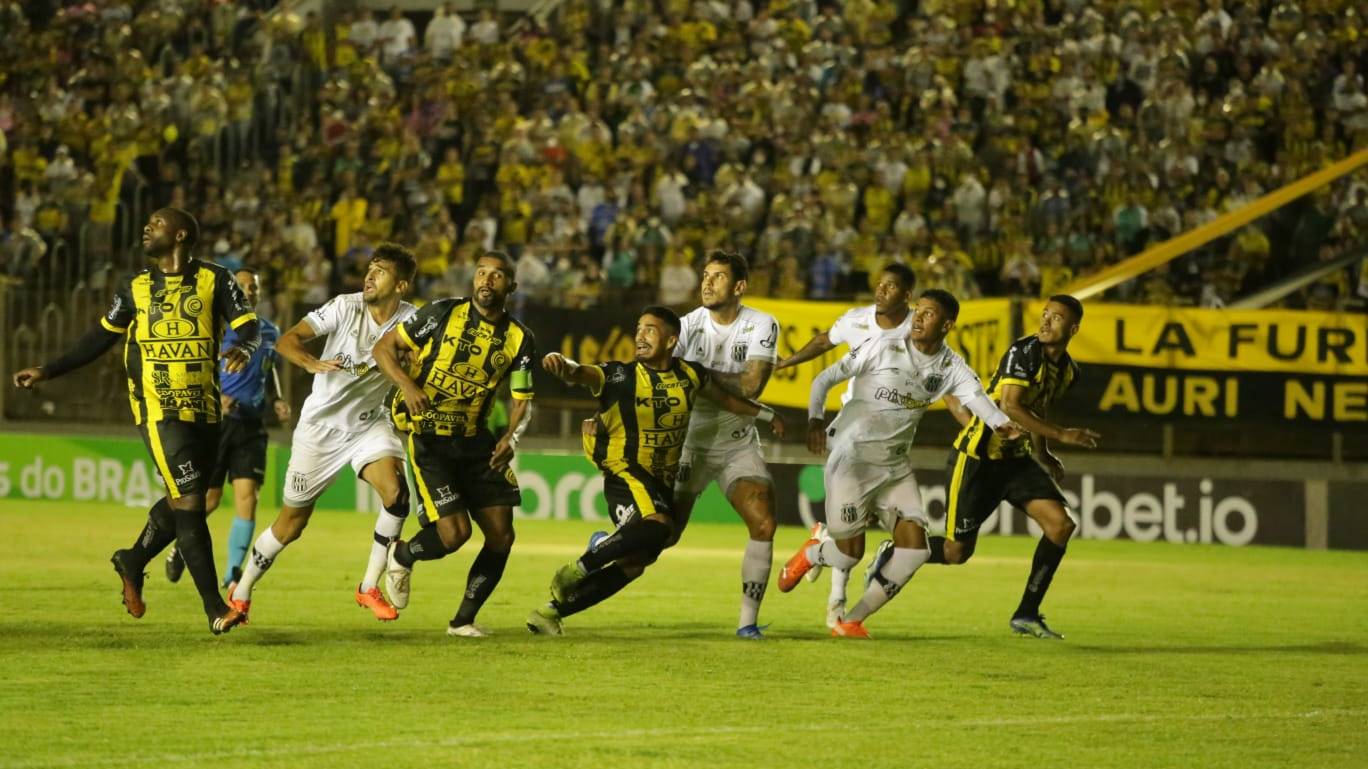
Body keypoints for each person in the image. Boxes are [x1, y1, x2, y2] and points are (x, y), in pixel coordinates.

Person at [12, 208, 257, 634]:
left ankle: (132, 559)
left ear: (180, 234)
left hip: (204, 408)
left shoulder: (216, 279)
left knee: (180, 503)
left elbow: (249, 327)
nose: (147, 228)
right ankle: (215, 608)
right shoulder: (135, 288)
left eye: (156, 224)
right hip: (158, 410)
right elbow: (101, 337)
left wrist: (247, 348)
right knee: (193, 503)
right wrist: (48, 370)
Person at [776, 290, 1023, 639]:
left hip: (894, 468)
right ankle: (814, 553)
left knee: (916, 551)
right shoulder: (883, 346)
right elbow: (823, 379)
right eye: (917, 310)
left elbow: (977, 400)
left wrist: (1002, 425)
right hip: (852, 461)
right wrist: (815, 421)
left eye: (929, 313)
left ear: (947, 324)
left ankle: (851, 621)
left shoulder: (951, 366)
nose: (918, 318)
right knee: (849, 556)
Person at [525, 306, 785, 636]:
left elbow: (726, 400)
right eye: (638, 328)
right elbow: (583, 373)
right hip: (626, 474)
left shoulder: (691, 375)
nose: (640, 335)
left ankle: (550, 613)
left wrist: (765, 415)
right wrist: (564, 367)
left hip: (659, 483)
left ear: (671, 340)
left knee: (637, 563)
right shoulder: (622, 375)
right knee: (660, 526)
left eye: (650, 329)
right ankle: (580, 566)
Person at [227, 243, 419, 622]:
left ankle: (367, 586)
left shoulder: (412, 322)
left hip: (367, 424)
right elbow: (287, 340)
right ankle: (242, 590)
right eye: (370, 268)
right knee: (291, 524)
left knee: (397, 495)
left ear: (401, 286)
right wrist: (312, 362)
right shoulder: (344, 307)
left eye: (380, 271)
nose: (369, 275)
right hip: (320, 430)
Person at [371, 251, 535, 637]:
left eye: (497, 276)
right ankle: (403, 554)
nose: (487, 280)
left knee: (502, 533)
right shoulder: (442, 312)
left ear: (511, 285)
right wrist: (408, 385)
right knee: (455, 535)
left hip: (476, 441)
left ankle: (462, 621)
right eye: (481, 273)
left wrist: (512, 436)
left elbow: (521, 398)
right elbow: (384, 348)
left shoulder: (519, 338)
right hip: (428, 437)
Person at [932, 295, 1101, 639]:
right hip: (979, 456)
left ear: (1073, 329)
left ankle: (1026, 613)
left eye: (1056, 318)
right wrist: (1063, 434)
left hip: (1016, 460)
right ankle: (899, 549)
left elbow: (1037, 410)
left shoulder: (1069, 371)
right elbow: (1010, 406)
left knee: (1060, 525)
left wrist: (1045, 452)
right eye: (1044, 315)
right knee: (956, 552)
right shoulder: (1023, 352)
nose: (1045, 322)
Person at [774, 262, 917, 625]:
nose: (881, 291)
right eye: (879, 284)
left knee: (855, 529)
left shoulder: (919, 328)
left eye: (891, 286)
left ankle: (821, 546)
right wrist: (789, 361)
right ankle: (837, 606)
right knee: (853, 531)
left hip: (891, 440)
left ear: (907, 294)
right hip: (852, 434)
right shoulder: (857, 320)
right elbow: (824, 340)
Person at [667, 251, 783, 638]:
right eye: (705, 275)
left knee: (764, 523)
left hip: (737, 444)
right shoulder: (684, 326)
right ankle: (606, 546)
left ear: (739, 287)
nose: (707, 282)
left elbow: (752, 386)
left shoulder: (762, 325)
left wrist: (698, 375)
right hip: (687, 443)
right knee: (663, 537)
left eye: (717, 276)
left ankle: (747, 624)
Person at [165, 268, 290, 588]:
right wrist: (215, 395)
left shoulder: (270, 331)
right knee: (209, 499)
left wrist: (276, 399)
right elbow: (191, 367)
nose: (250, 291)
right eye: (244, 286)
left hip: (251, 426)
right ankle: (180, 546)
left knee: (248, 497)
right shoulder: (215, 328)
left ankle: (233, 572)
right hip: (216, 425)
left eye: (255, 287)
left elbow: (269, 369)